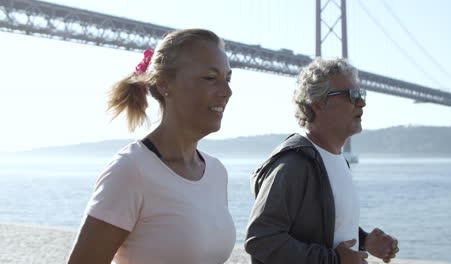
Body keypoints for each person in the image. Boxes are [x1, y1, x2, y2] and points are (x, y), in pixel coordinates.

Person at [67, 29, 236, 264]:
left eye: (227, 79)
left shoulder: (217, 172)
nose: (227, 92)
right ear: (164, 84)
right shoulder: (132, 170)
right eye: (210, 78)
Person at [244, 58, 399, 264]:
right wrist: (333, 260)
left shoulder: (338, 161)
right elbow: (261, 240)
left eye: (361, 94)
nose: (361, 102)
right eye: (352, 95)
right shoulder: (293, 165)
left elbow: (324, 229)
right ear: (318, 104)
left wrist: (365, 240)